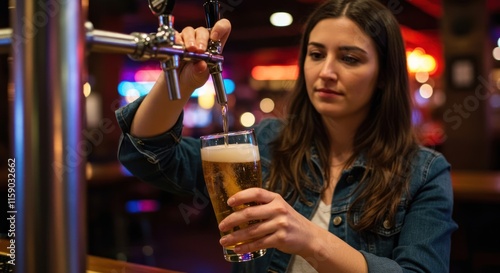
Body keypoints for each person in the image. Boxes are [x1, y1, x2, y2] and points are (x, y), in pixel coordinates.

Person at [115, 0, 458, 272]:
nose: (326, 72)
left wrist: (310, 239)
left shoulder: (424, 172)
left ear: (384, 75)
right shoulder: (268, 141)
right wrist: (181, 83)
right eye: (316, 54)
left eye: (350, 58)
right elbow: (150, 156)